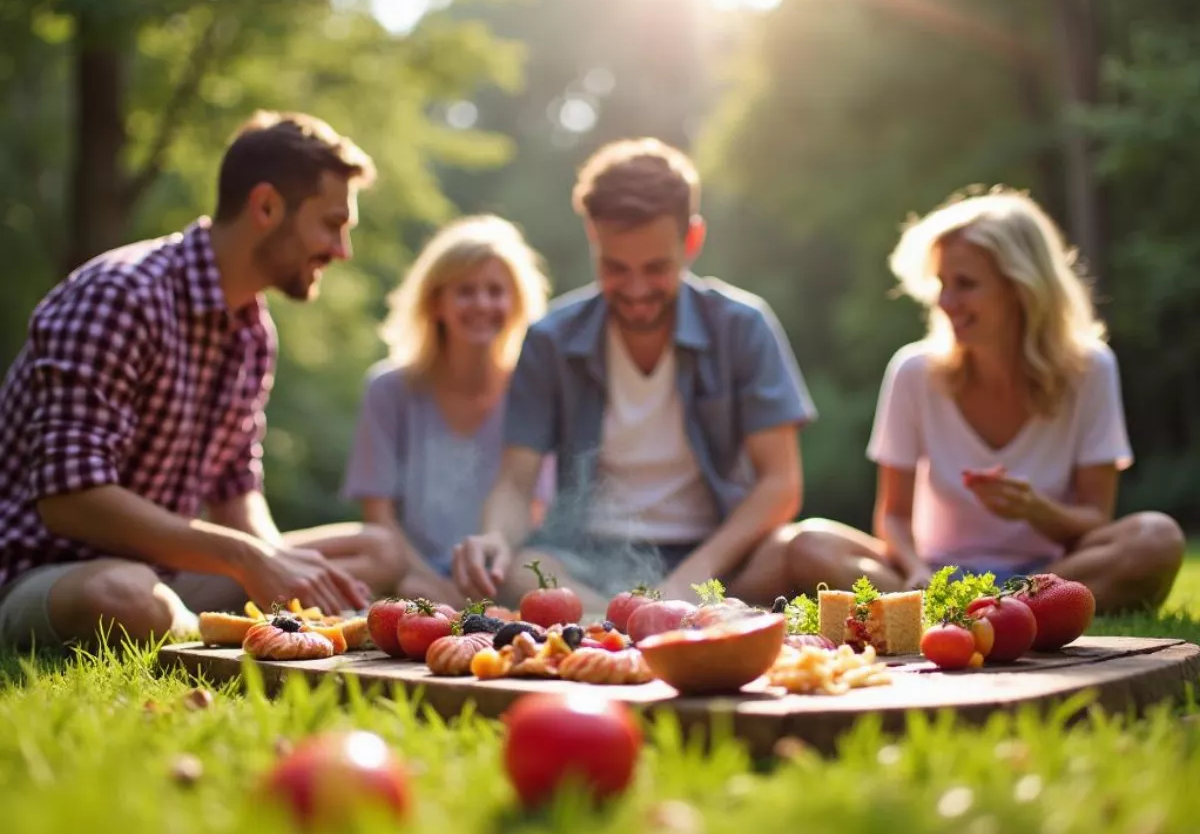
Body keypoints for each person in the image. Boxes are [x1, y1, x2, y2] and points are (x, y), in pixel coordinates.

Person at [0, 110, 404, 651]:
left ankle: (229, 625)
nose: (341, 250)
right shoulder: (119, 295)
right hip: (49, 574)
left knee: (378, 549)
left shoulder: (254, 332)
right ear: (266, 207)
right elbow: (70, 499)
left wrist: (283, 571)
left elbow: (236, 491)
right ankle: (214, 636)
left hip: (166, 568)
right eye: (332, 224)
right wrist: (247, 558)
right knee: (125, 596)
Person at [451, 137, 819, 615]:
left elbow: (780, 484)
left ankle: (615, 623)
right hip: (588, 558)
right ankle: (629, 623)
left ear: (692, 239)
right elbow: (517, 483)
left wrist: (692, 578)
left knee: (812, 546)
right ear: (592, 235)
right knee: (523, 569)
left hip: (718, 559)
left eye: (656, 268)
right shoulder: (550, 340)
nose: (637, 290)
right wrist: (494, 538)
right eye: (615, 268)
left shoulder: (743, 326)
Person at [787, 188, 1185, 612]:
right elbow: (894, 517)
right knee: (810, 544)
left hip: (1051, 573)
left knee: (1156, 538)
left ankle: (995, 609)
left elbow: (1094, 519)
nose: (945, 302)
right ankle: (992, 613)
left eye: (965, 285)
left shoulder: (1090, 369)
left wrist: (1034, 509)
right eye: (941, 284)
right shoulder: (913, 371)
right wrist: (916, 568)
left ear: (1022, 288)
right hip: (934, 575)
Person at [341, 215, 552, 606]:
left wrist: (485, 585)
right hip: (407, 577)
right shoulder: (388, 390)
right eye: (466, 291)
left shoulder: (534, 392)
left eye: (495, 291)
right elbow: (379, 517)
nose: (482, 304)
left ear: (517, 302)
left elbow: (532, 513)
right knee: (372, 556)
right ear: (436, 302)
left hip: (500, 578)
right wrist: (431, 587)